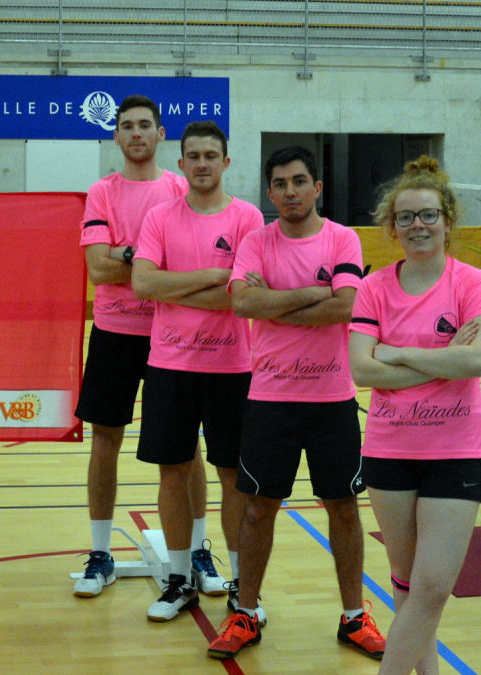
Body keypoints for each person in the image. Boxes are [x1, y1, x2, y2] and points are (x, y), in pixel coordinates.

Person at [207, 145, 384, 659]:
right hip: (270, 399)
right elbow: (243, 302)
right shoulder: (256, 241)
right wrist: (316, 291)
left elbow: (348, 306)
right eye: (280, 184)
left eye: (299, 181)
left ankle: (354, 617)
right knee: (258, 509)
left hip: (332, 400)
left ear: (317, 187)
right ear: (269, 192)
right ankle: (245, 611)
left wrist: (276, 302)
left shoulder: (343, 238)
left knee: (344, 509)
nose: (290, 192)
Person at [73, 95, 219, 599]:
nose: (136, 133)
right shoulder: (102, 193)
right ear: (115, 135)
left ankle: (196, 549)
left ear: (160, 135)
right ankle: (100, 553)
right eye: (127, 126)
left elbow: (184, 263)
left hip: (173, 337)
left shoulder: (181, 187)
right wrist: (149, 267)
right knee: (104, 440)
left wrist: (127, 256)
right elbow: (97, 270)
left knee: (186, 447)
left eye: (144, 125)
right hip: (114, 332)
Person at [348, 156, 481, 675]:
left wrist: (398, 354)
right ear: (392, 226)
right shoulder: (374, 287)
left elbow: (474, 361)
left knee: (433, 587)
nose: (417, 225)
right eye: (405, 217)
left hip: (457, 452)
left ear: (447, 221)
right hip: (389, 451)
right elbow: (363, 369)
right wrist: (443, 358)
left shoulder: (470, 283)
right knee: (406, 584)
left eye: (427, 215)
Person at [131, 121, 263, 622]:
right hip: (169, 367)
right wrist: (213, 276)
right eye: (194, 156)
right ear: (181, 163)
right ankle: (179, 579)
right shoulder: (160, 217)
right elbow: (144, 285)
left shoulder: (248, 218)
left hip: (233, 368)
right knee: (173, 472)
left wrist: (176, 286)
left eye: (211, 155)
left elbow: (244, 297)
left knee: (233, 477)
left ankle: (241, 585)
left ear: (225, 163)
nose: (202, 163)